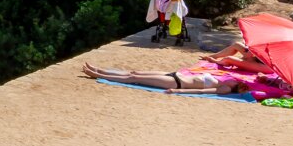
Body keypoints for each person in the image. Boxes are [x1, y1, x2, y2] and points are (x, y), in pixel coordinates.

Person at [81, 62, 250, 95]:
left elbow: (202, 90)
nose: (233, 79)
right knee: (135, 72)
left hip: (175, 82)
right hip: (175, 74)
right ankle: (99, 69)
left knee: (133, 78)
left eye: (236, 82)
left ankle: (98, 75)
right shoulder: (224, 80)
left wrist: (176, 91)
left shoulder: (225, 88)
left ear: (234, 86)